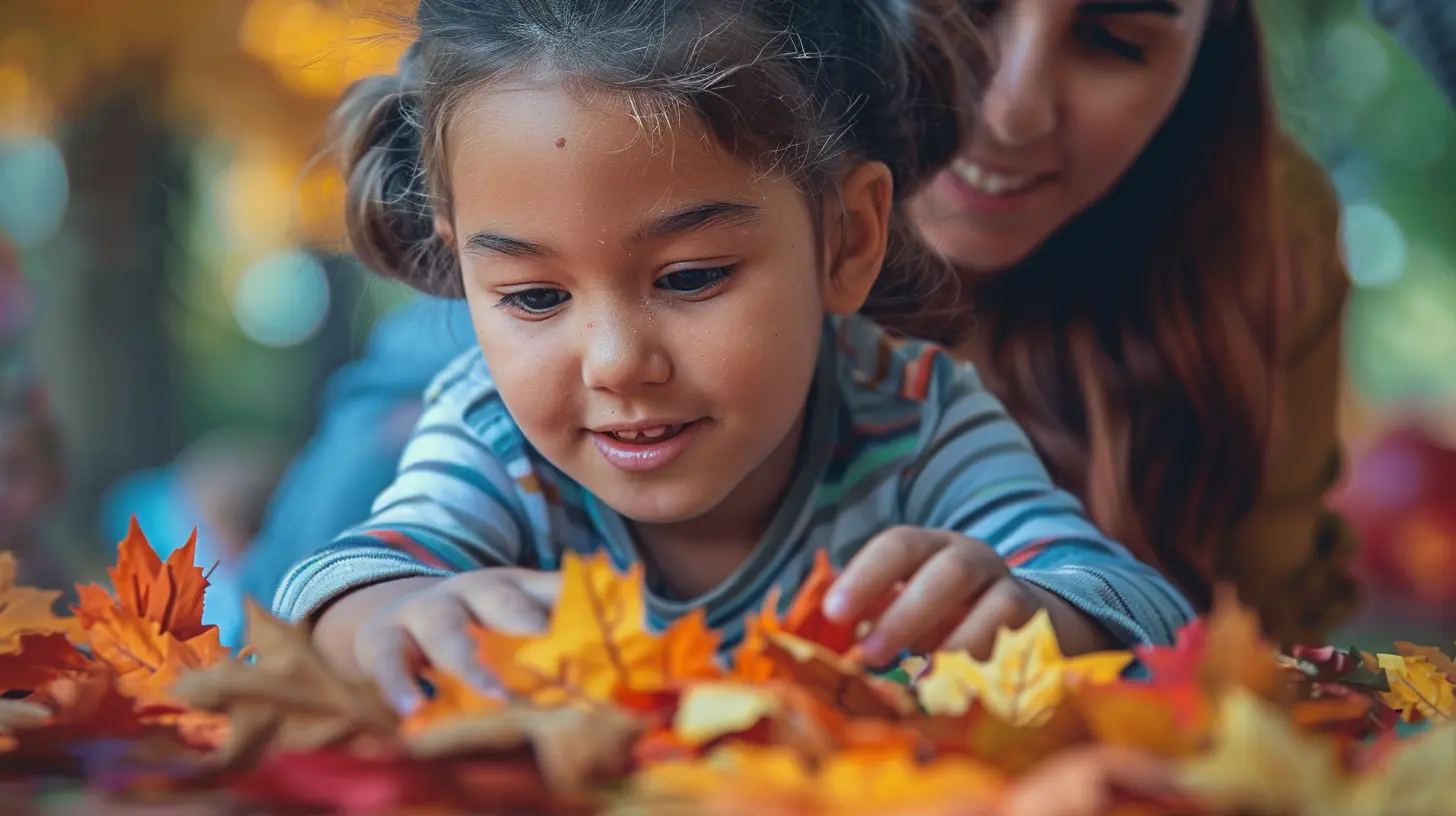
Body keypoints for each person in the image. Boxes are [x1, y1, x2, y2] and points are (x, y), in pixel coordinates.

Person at [272, 0, 1194, 711]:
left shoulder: (916, 417)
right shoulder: (490, 433)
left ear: (847, 239)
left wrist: (1043, 616)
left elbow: (1141, 607)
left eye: (690, 277)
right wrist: (384, 616)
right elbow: (352, 577)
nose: (616, 363)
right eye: (535, 297)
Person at [896, 0, 1364, 648]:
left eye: (1113, 40)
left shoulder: (1266, 250)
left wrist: (1078, 625)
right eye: (958, 10)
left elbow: (1256, 649)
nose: (1012, 112)